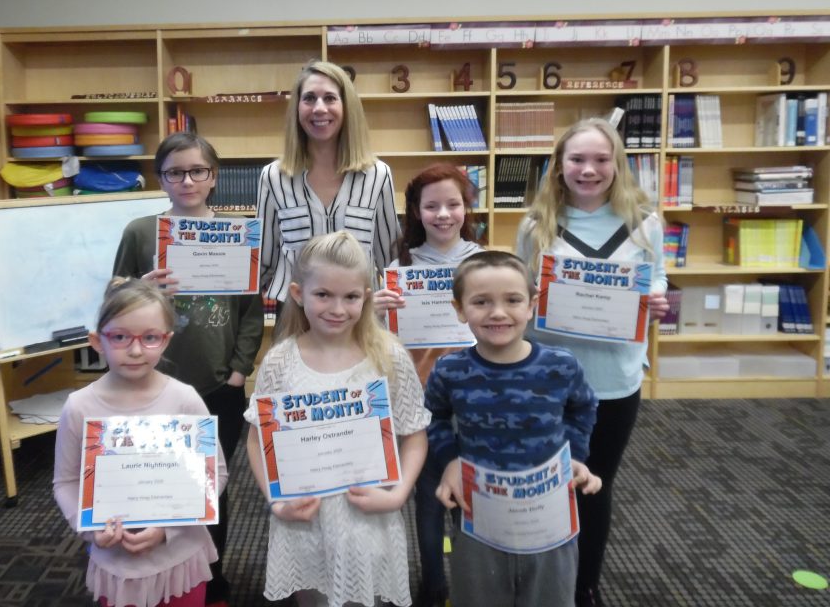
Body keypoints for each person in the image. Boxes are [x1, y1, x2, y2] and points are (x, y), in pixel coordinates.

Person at [514, 117, 668, 607]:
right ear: (559, 166)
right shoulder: (536, 225)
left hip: (613, 380)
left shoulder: (645, 222)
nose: (589, 169)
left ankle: (585, 587)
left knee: (594, 483)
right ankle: (537, 581)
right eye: (577, 159)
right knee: (539, 481)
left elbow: (657, 277)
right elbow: (519, 294)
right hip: (548, 379)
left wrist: (658, 299)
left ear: (617, 165)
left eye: (601, 159)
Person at [113, 131, 264, 606]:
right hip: (153, 383)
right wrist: (141, 287)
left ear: (214, 177)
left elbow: (251, 312)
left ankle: (211, 578)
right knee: (156, 478)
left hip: (218, 384)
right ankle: (159, 574)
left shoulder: (238, 233)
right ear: (160, 178)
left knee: (210, 486)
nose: (187, 181)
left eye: (198, 171)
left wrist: (239, 371)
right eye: (174, 172)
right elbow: (114, 300)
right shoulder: (142, 232)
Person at [244, 231, 430, 607]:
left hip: (368, 515)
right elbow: (256, 440)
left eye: (351, 297)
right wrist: (275, 503)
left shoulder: (389, 357)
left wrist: (398, 495)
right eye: (323, 295)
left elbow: (414, 434)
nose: (337, 309)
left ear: (367, 296)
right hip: (305, 519)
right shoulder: (281, 360)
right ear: (298, 294)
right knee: (311, 597)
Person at [426, 250, 601, 607]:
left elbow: (583, 407)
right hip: (477, 510)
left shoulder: (560, 365)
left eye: (512, 300)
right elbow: (433, 416)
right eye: (481, 301)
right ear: (459, 308)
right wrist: (449, 461)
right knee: (476, 594)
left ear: (532, 304)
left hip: (548, 511)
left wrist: (574, 456)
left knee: (550, 595)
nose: (498, 312)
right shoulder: (450, 370)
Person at [54, 278, 228, 607]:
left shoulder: (184, 399)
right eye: (119, 337)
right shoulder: (79, 407)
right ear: (96, 341)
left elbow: (215, 474)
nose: (135, 350)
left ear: (167, 340)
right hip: (116, 563)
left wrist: (167, 530)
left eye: (149, 338)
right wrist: (89, 530)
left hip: (179, 557)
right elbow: (65, 481)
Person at [371, 163, 483, 607]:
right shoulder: (400, 268)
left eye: (452, 204)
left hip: (474, 398)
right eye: (431, 206)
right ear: (415, 212)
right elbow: (379, 342)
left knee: (474, 491)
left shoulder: (484, 261)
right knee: (428, 494)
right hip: (417, 398)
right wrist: (374, 312)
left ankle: (474, 579)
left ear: (466, 207)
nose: (443, 215)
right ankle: (433, 583)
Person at [256, 60, 400, 309]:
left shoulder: (378, 175)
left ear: (347, 107)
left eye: (330, 98)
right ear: (297, 108)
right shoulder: (273, 177)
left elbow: (392, 260)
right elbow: (262, 262)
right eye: (309, 98)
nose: (319, 108)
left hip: (360, 314)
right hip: (295, 315)